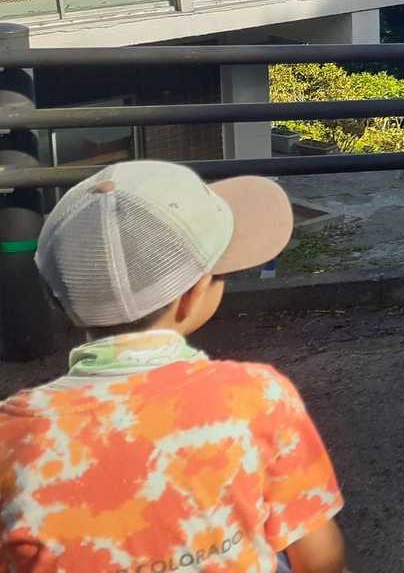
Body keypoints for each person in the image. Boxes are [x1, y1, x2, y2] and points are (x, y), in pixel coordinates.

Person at [0, 161, 346, 573]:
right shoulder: (258, 397)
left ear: (58, 302)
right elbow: (321, 558)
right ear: (194, 295)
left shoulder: (11, 436)